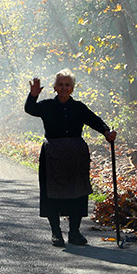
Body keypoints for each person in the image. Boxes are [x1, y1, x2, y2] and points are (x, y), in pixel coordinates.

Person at [25, 70, 116, 247]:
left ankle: (74, 233)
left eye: (67, 85)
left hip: (76, 155)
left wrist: (107, 132)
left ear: (72, 88)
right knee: (51, 193)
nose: (64, 88)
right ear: (54, 87)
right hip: (53, 154)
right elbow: (30, 109)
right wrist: (33, 95)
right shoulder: (46, 106)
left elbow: (95, 120)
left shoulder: (79, 107)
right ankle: (56, 233)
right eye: (60, 84)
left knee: (78, 193)